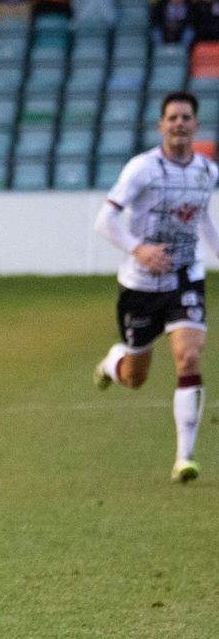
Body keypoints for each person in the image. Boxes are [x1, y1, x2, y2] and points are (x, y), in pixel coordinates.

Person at [92, 90, 212, 483]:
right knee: (134, 378)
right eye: (172, 118)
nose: (179, 124)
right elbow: (105, 221)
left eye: (185, 117)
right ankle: (113, 363)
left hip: (185, 279)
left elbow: (203, 221)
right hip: (140, 286)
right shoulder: (141, 169)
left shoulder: (207, 172)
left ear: (195, 124)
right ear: (161, 125)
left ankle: (184, 457)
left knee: (189, 357)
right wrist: (138, 249)